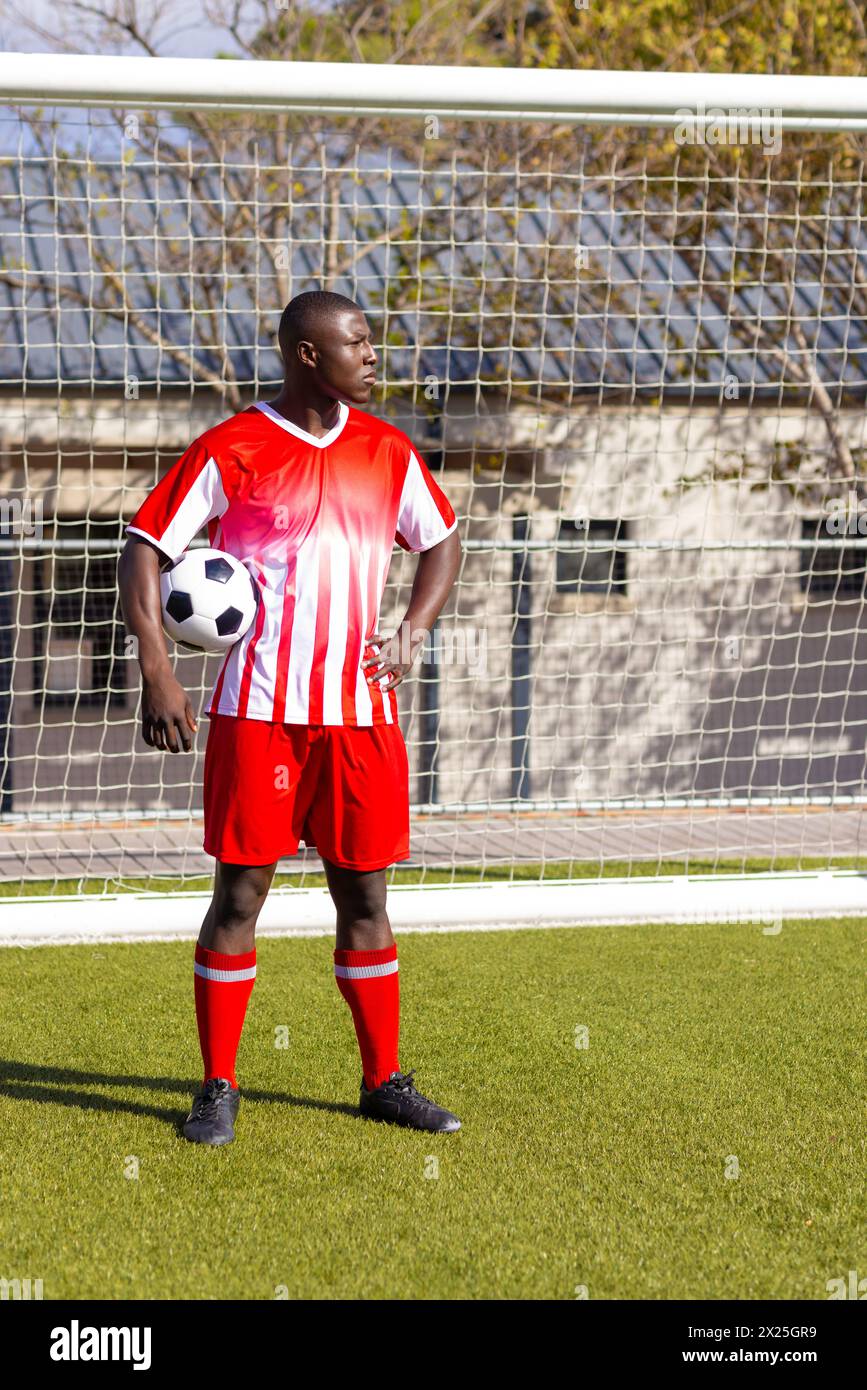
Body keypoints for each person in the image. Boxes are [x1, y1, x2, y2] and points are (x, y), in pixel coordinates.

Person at [117, 290, 462, 1145]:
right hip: (259, 713)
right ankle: (219, 1086)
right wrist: (156, 665)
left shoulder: (386, 450)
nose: (374, 355)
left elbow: (442, 539)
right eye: (358, 342)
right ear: (308, 354)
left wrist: (413, 627)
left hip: (359, 714)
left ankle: (382, 1080)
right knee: (240, 894)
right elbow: (145, 547)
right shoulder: (233, 446)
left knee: (366, 895)